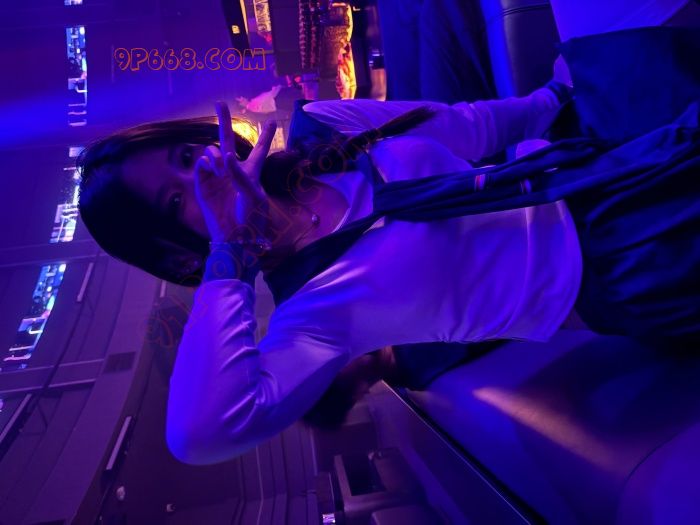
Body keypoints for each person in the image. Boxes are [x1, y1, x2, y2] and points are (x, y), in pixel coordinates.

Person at [77, 2, 700, 465]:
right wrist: (230, 255)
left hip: (607, 170)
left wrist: (557, 92)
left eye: (188, 157)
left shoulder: (322, 128)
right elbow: (201, 433)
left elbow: (467, 127)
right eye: (178, 198)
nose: (207, 174)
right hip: (624, 269)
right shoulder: (312, 314)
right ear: (177, 255)